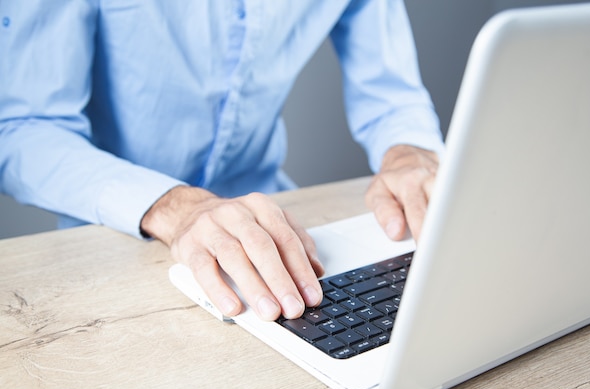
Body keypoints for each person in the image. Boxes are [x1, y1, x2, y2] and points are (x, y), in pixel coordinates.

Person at [0, 1, 444, 322]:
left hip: (276, 235)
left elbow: (391, 94)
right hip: (111, 248)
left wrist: (408, 151)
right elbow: (21, 126)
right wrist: (177, 207)